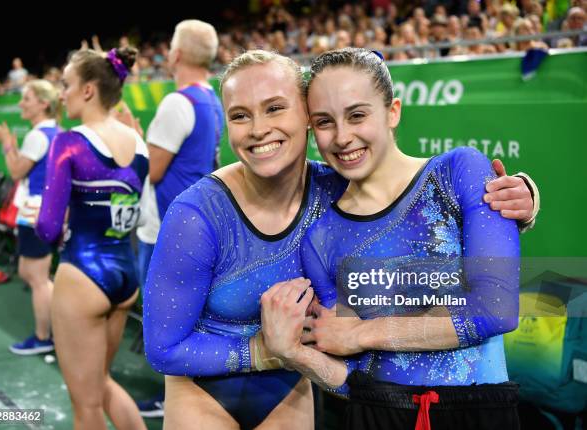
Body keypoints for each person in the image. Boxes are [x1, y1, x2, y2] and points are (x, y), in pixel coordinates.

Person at [143, 49, 538, 430]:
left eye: (275, 107)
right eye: (240, 115)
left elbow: (492, 305)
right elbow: (165, 348)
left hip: (313, 392)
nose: (260, 128)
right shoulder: (209, 216)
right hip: (216, 393)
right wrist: (275, 352)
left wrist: (519, 197)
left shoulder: (354, 188)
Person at [260, 48, 525, 430]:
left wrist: (365, 332)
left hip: (479, 411)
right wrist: (293, 354)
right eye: (324, 122)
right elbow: (350, 376)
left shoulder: (456, 173)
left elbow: (496, 309)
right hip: (375, 414)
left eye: (357, 115)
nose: (342, 137)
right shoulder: (320, 238)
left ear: (392, 111)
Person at [36, 47, 147, 430]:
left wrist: (55, 217)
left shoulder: (68, 142)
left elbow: (48, 229)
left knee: (85, 405)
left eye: (65, 84)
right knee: (100, 384)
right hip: (126, 275)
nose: (60, 93)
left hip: (84, 274)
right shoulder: (140, 144)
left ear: (88, 90)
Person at [135, 18, 223, 419]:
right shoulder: (212, 98)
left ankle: (174, 402)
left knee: (166, 325)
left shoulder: (177, 102)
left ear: (176, 54)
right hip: (193, 227)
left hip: (165, 230)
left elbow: (151, 171)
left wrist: (134, 141)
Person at [0, 79, 60, 355]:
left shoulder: (39, 135)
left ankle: (45, 337)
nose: (21, 103)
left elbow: (16, 171)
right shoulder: (54, 132)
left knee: (38, 277)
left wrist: (6, 143)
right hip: (41, 210)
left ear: (43, 103)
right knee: (30, 272)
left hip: (35, 211)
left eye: (27, 98)